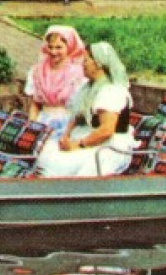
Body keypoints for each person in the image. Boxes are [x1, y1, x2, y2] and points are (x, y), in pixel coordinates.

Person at [37, 41, 134, 178]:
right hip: (85, 139)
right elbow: (76, 117)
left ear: (99, 64)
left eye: (86, 60)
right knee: (43, 151)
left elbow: (106, 130)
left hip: (108, 148)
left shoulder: (111, 91)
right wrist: (66, 136)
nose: (83, 64)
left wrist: (78, 145)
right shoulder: (87, 88)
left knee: (56, 162)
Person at [25, 25, 89, 141]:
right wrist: (32, 126)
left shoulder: (78, 73)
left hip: (69, 124)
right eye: (50, 47)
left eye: (59, 47)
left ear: (69, 47)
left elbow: (82, 109)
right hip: (42, 122)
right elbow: (34, 104)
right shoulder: (37, 71)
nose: (53, 52)